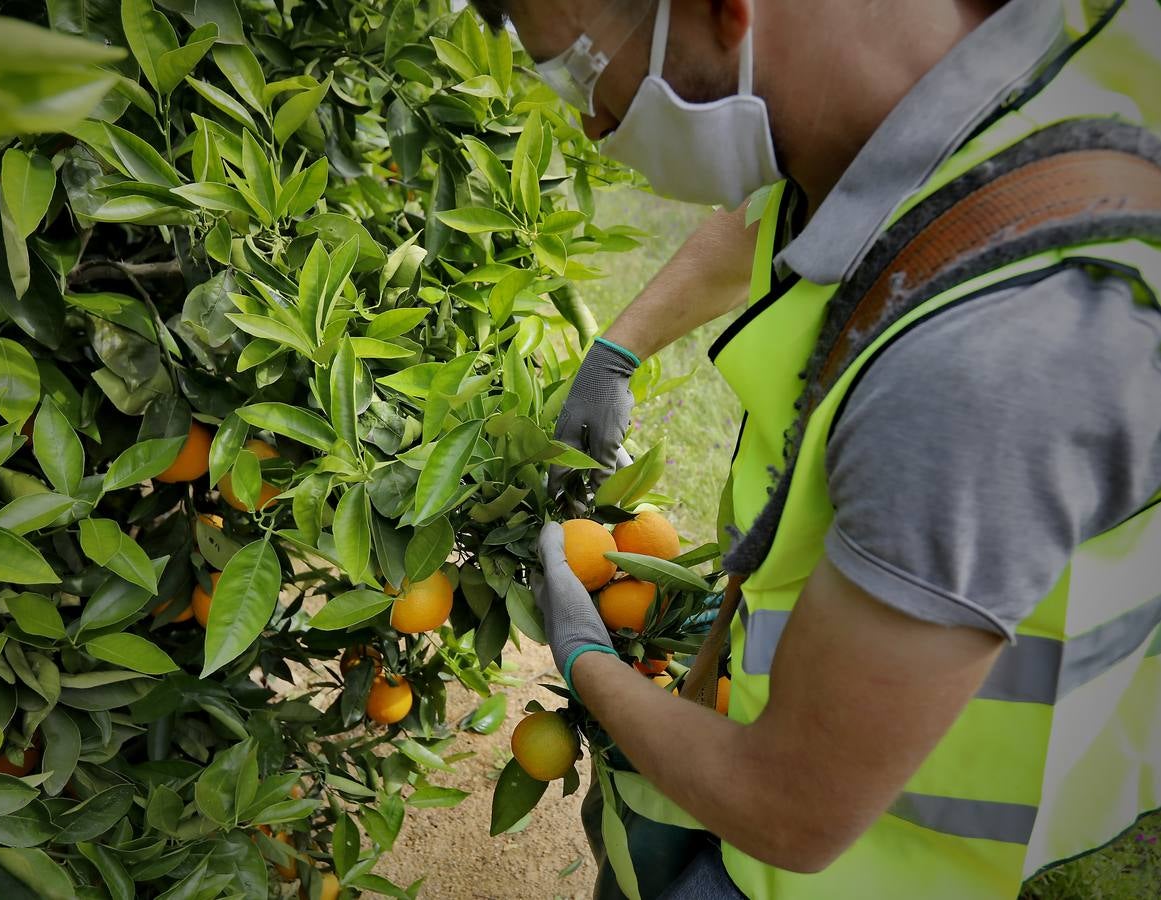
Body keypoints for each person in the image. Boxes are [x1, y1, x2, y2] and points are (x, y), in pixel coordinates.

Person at [467, 0, 1161, 897]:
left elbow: (788, 807)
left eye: (581, 72)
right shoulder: (978, 91)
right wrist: (617, 349)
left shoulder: (986, 364)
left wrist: (582, 655)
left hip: (864, 861)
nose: (596, 125)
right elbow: (777, 208)